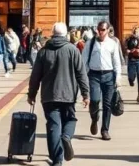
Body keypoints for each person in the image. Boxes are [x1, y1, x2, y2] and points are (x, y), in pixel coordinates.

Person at [28, 22, 91, 166]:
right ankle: (67, 137)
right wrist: (85, 94)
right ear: (66, 34)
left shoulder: (44, 51)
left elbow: (35, 75)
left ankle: (57, 160)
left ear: (52, 34)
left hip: (49, 95)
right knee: (70, 120)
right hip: (68, 94)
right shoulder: (72, 50)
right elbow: (81, 73)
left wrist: (32, 94)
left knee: (53, 126)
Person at [84, 20, 122, 140]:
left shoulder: (112, 44)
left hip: (108, 76)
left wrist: (118, 77)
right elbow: (83, 60)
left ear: (108, 30)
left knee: (107, 105)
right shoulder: (90, 43)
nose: (100, 32)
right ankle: (94, 118)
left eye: (103, 30)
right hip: (94, 75)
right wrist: (83, 77)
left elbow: (117, 62)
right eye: (99, 29)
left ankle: (105, 130)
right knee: (94, 101)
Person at [125, 26, 139, 102]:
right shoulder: (129, 38)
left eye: (138, 31)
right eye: (135, 31)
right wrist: (127, 50)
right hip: (131, 60)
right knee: (131, 76)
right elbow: (125, 47)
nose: (136, 32)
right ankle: (131, 80)